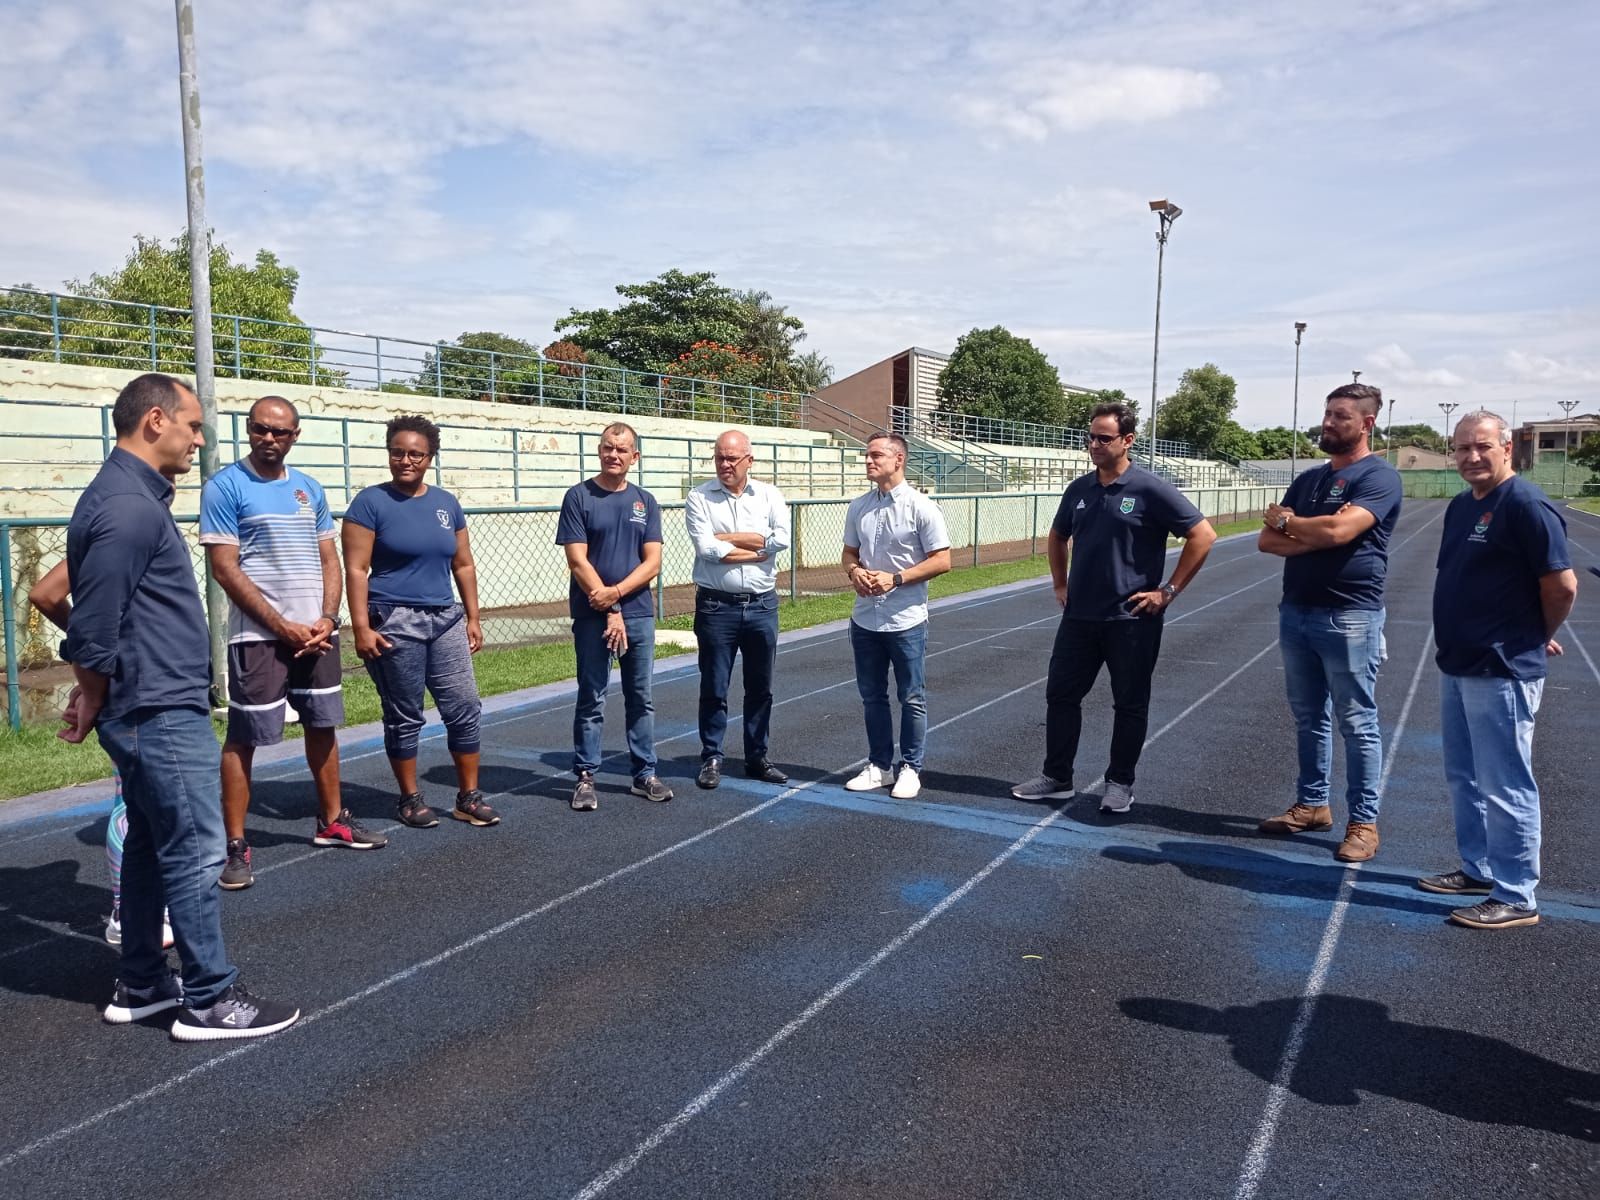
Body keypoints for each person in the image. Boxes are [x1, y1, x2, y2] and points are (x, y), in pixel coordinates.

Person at [63, 372, 298, 1040]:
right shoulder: (128, 509)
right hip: (158, 710)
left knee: (146, 846)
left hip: (150, 703)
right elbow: (91, 630)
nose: (201, 439)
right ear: (156, 421)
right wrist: (92, 694)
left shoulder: (130, 498)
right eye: (194, 426)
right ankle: (210, 997)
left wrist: (95, 694)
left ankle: (141, 981)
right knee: (195, 850)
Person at [200, 395, 385, 891]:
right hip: (260, 637)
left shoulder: (308, 488)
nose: (269, 439)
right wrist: (281, 625)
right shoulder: (225, 487)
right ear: (249, 430)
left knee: (323, 726)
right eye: (261, 429)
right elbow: (224, 568)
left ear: (295, 436)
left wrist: (327, 617)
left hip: (317, 636)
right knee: (244, 737)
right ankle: (235, 845)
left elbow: (330, 558)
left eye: (280, 432)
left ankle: (332, 822)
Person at [1011, 401, 1217, 812]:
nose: (1094, 444)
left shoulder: (1150, 488)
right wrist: (1060, 582)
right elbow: (1056, 537)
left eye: (1104, 438)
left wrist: (1168, 591)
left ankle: (1120, 782)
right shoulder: (1080, 489)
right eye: (1090, 437)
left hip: (1131, 620)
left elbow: (1203, 535)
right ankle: (1058, 777)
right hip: (1080, 618)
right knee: (1061, 695)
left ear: (1128, 441)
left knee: (1130, 702)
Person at [1419, 411, 1576, 929]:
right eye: (1462, 448)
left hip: (1502, 667)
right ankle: (1479, 868)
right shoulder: (1463, 506)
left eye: (1482, 446)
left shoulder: (1526, 505)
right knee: (1464, 776)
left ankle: (1516, 894)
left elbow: (1562, 585)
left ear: (1507, 448)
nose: (1471, 457)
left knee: (1505, 783)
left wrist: (1537, 635)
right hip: (1460, 662)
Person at [1256, 382, 1403, 862]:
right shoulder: (1310, 480)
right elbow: (1267, 543)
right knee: (1308, 719)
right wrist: (1313, 532)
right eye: (1327, 414)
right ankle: (1312, 805)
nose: (1328, 423)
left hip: (1351, 615)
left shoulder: (1379, 477)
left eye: (1340, 416)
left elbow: (1341, 529)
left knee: (1357, 721)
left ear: (1366, 423)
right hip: (1296, 612)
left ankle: (1363, 823)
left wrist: (1290, 523)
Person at [342, 415, 496, 828]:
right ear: (389, 453)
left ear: (430, 457)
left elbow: (463, 564)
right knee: (405, 714)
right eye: (398, 452)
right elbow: (356, 569)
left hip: (445, 619)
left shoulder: (446, 504)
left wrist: (473, 616)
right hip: (393, 619)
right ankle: (409, 798)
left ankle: (469, 796)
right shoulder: (369, 503)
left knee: (464, 707)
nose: (406, 460)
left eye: (415, 454)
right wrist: (361, 627)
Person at [28, 562, 172, 949]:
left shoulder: (129, 522)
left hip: (148, 674)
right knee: (134, 800)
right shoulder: (117, 524)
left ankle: (137, 907)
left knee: (144, 798)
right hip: (134, 680)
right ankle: (128, 911)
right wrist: (97, 647)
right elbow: (45, 594)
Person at [556, 422, 670, 810]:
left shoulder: (646, 502)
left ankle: (644, 774)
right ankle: (586, 777)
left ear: (634, 457)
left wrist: (618, 597)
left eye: (622, 450)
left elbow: (652, 562)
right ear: (599, 451)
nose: (614, 455)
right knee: (592, 696)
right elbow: (577, 559)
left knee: (641, 697)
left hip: (637, 614)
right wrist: (609, 607)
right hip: (592, 614)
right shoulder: (578, 497)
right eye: (608, 448)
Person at [840, 433, 951, 800]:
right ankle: (879, 766)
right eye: (866, 455)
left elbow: (942, 560)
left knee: (911, 696)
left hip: (906, 619)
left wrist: (896, 578)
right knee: (872, 695)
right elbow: (849, 554)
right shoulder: (858, 507)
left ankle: (911, 768)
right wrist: (855, 573)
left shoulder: (922, 507)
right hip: (865, 619)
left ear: (898, 459)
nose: (868, 461)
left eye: (875, 455)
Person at [684, 430, 792, 790]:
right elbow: (706, 548)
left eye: (732, 458)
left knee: (760, 687)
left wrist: (727, 539)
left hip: (762, 605)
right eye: (719, 458)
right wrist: (754, 544)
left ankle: (756, 757)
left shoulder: (770, 495)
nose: (725, 464)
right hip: (717, 606)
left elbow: (781, 541)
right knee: (714, 686)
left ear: (749, 459)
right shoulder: (699, 496)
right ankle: (712, 756)